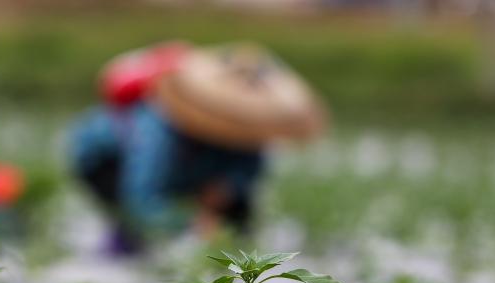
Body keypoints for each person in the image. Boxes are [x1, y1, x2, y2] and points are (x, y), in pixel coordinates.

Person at [69, 43, 327, 255]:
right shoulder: (158, 133)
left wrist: (227, 187)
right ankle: (122, 255)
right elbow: (142, 199)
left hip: (191, 167)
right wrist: (191, 221)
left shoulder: (249, 135)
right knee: (133, 224)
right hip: (107, 162)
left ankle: (231, 269)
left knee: (238, 214)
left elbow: (250, 171)